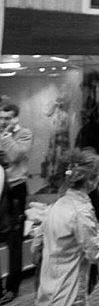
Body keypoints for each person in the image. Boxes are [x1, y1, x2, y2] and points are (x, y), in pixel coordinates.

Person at [33, 149, 99, 306]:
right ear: (91, 181)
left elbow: (36, 245)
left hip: (47, 288)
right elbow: (94, 253)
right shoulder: (82, 212)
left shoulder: (56, 205)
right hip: (69, 292)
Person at [0, 102, 33, 303]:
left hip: (15, 190)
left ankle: (12, 288)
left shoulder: (24, 134)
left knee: (14, 240)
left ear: (15, 118)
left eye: (7, 118)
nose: (3, 121)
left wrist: (5, 137)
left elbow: (14, 155)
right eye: (0, 118)